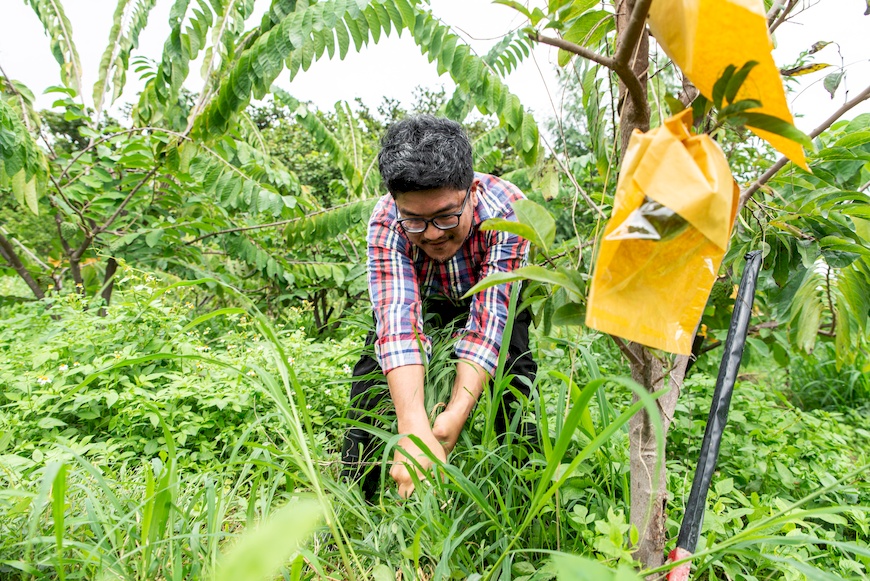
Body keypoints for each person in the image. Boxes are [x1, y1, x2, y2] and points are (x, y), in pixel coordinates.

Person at [340, 115, 537, 499]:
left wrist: (455, 415)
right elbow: (397, 322)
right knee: (369, 377)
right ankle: (354, 498)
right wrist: (413, 426)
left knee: (514, 376)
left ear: (473, 192)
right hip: (424, 293)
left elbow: (488, 322)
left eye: (446, 216)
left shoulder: (509, 212)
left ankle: (524, 494)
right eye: (415, 221)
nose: (431, 233)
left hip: (489, 292)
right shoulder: (386, 221)